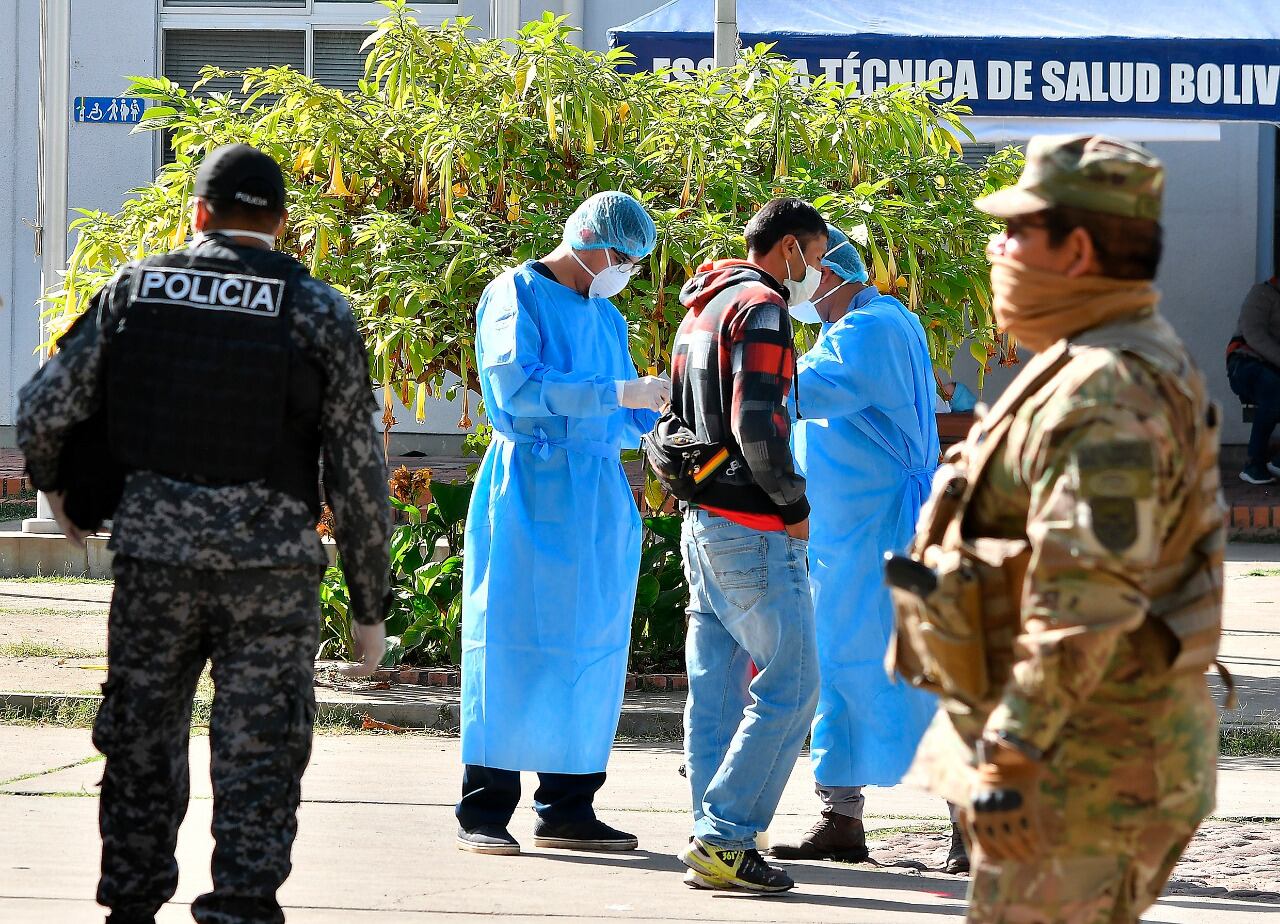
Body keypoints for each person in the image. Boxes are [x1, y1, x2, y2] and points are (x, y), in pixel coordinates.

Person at [16, 143, 391, 924]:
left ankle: (131, 902)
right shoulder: (318, 310)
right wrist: (369, 602)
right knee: (260, 748)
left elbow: (44, 406)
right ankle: (243, 905)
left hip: (157, 562)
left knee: (142, 739)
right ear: (283, 223)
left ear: (198, 214)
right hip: (273, 572)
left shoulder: (137, 289)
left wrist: (61, 495)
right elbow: (356, 470)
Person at [891, 135, 1225, 923]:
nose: (996, 248)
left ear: (1076, 249)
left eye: (1015, 232)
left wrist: (1014, 751)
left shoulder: (1107, 389)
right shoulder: (1082, 360)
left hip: (1083, 765)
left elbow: (1087, 595)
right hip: (1069, 752)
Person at [457, 191, 666, 856]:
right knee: (511, 643)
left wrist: (662, 404)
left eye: (636, 261)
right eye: (621, 254)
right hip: (532, 487)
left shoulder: (606, 315)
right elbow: (514, 391)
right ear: (582, 234)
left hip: (598, 496)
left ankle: (569, 807)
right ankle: (484, 811)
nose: (625, 269)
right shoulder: (515, 293)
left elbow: (628, 402)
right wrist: (615, 395)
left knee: (591, 645)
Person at [769, 224, 959, 869]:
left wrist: (729, 358)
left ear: (830, 272)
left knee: (906, 673)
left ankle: (969, 820)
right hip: (845, 541)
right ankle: (841, 819)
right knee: (842, 674)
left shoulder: (870, 330)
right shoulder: (857, 324)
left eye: (808, 266)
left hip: (879, 535)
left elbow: (802, 392)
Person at [667, 198, 823, 893]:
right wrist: (794, 506)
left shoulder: (702, 303)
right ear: (788, 247)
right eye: (814, 258)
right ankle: (727, 835)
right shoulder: (761, 306)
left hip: (702, 521)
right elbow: (757, 422)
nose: (814, 273)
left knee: (718, 689)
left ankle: (711, 832)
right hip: (753, 527)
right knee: (792, 684)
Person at [1226, 274, 1280, 484]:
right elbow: (1254, 334)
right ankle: (1253, 465)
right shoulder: (1262, 294)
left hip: (1273, 369)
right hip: (1245, 363)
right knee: (1274, 388)